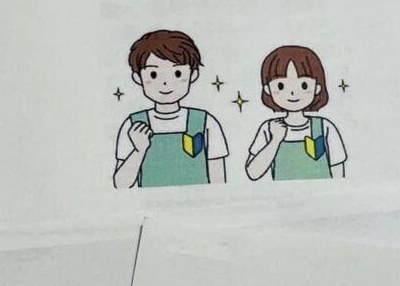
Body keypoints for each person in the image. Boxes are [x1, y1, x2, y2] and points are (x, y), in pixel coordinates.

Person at [114, 29, 228, 188]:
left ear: (193, 75)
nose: (166, 83)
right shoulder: (134, 125)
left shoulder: (205, 122)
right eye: (154, 74)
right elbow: (120, 184)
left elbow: (219, 180)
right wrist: (139, 151)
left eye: (177, 73)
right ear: (138, 78)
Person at [244, 44, 347, 181]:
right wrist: (275, 140)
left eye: (304, 85)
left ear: (317, 88)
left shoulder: (325, 127)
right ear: (268, 89)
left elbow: (338, 170)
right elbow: (252, 173)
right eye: (281, 86)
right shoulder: (269, 129)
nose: (292, 92)